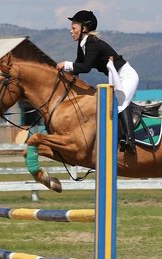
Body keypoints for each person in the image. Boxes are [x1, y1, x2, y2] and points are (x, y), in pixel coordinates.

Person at [56, 10, 139, 154]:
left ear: (84, 28)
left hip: (126, 75)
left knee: (119, 103)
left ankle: (130, 141)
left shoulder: (91, 43)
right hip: (116, 77)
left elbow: (86, 67)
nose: (71, 31)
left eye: (73, 28)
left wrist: (66, 64)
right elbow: (78, 67)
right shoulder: (82, 44)